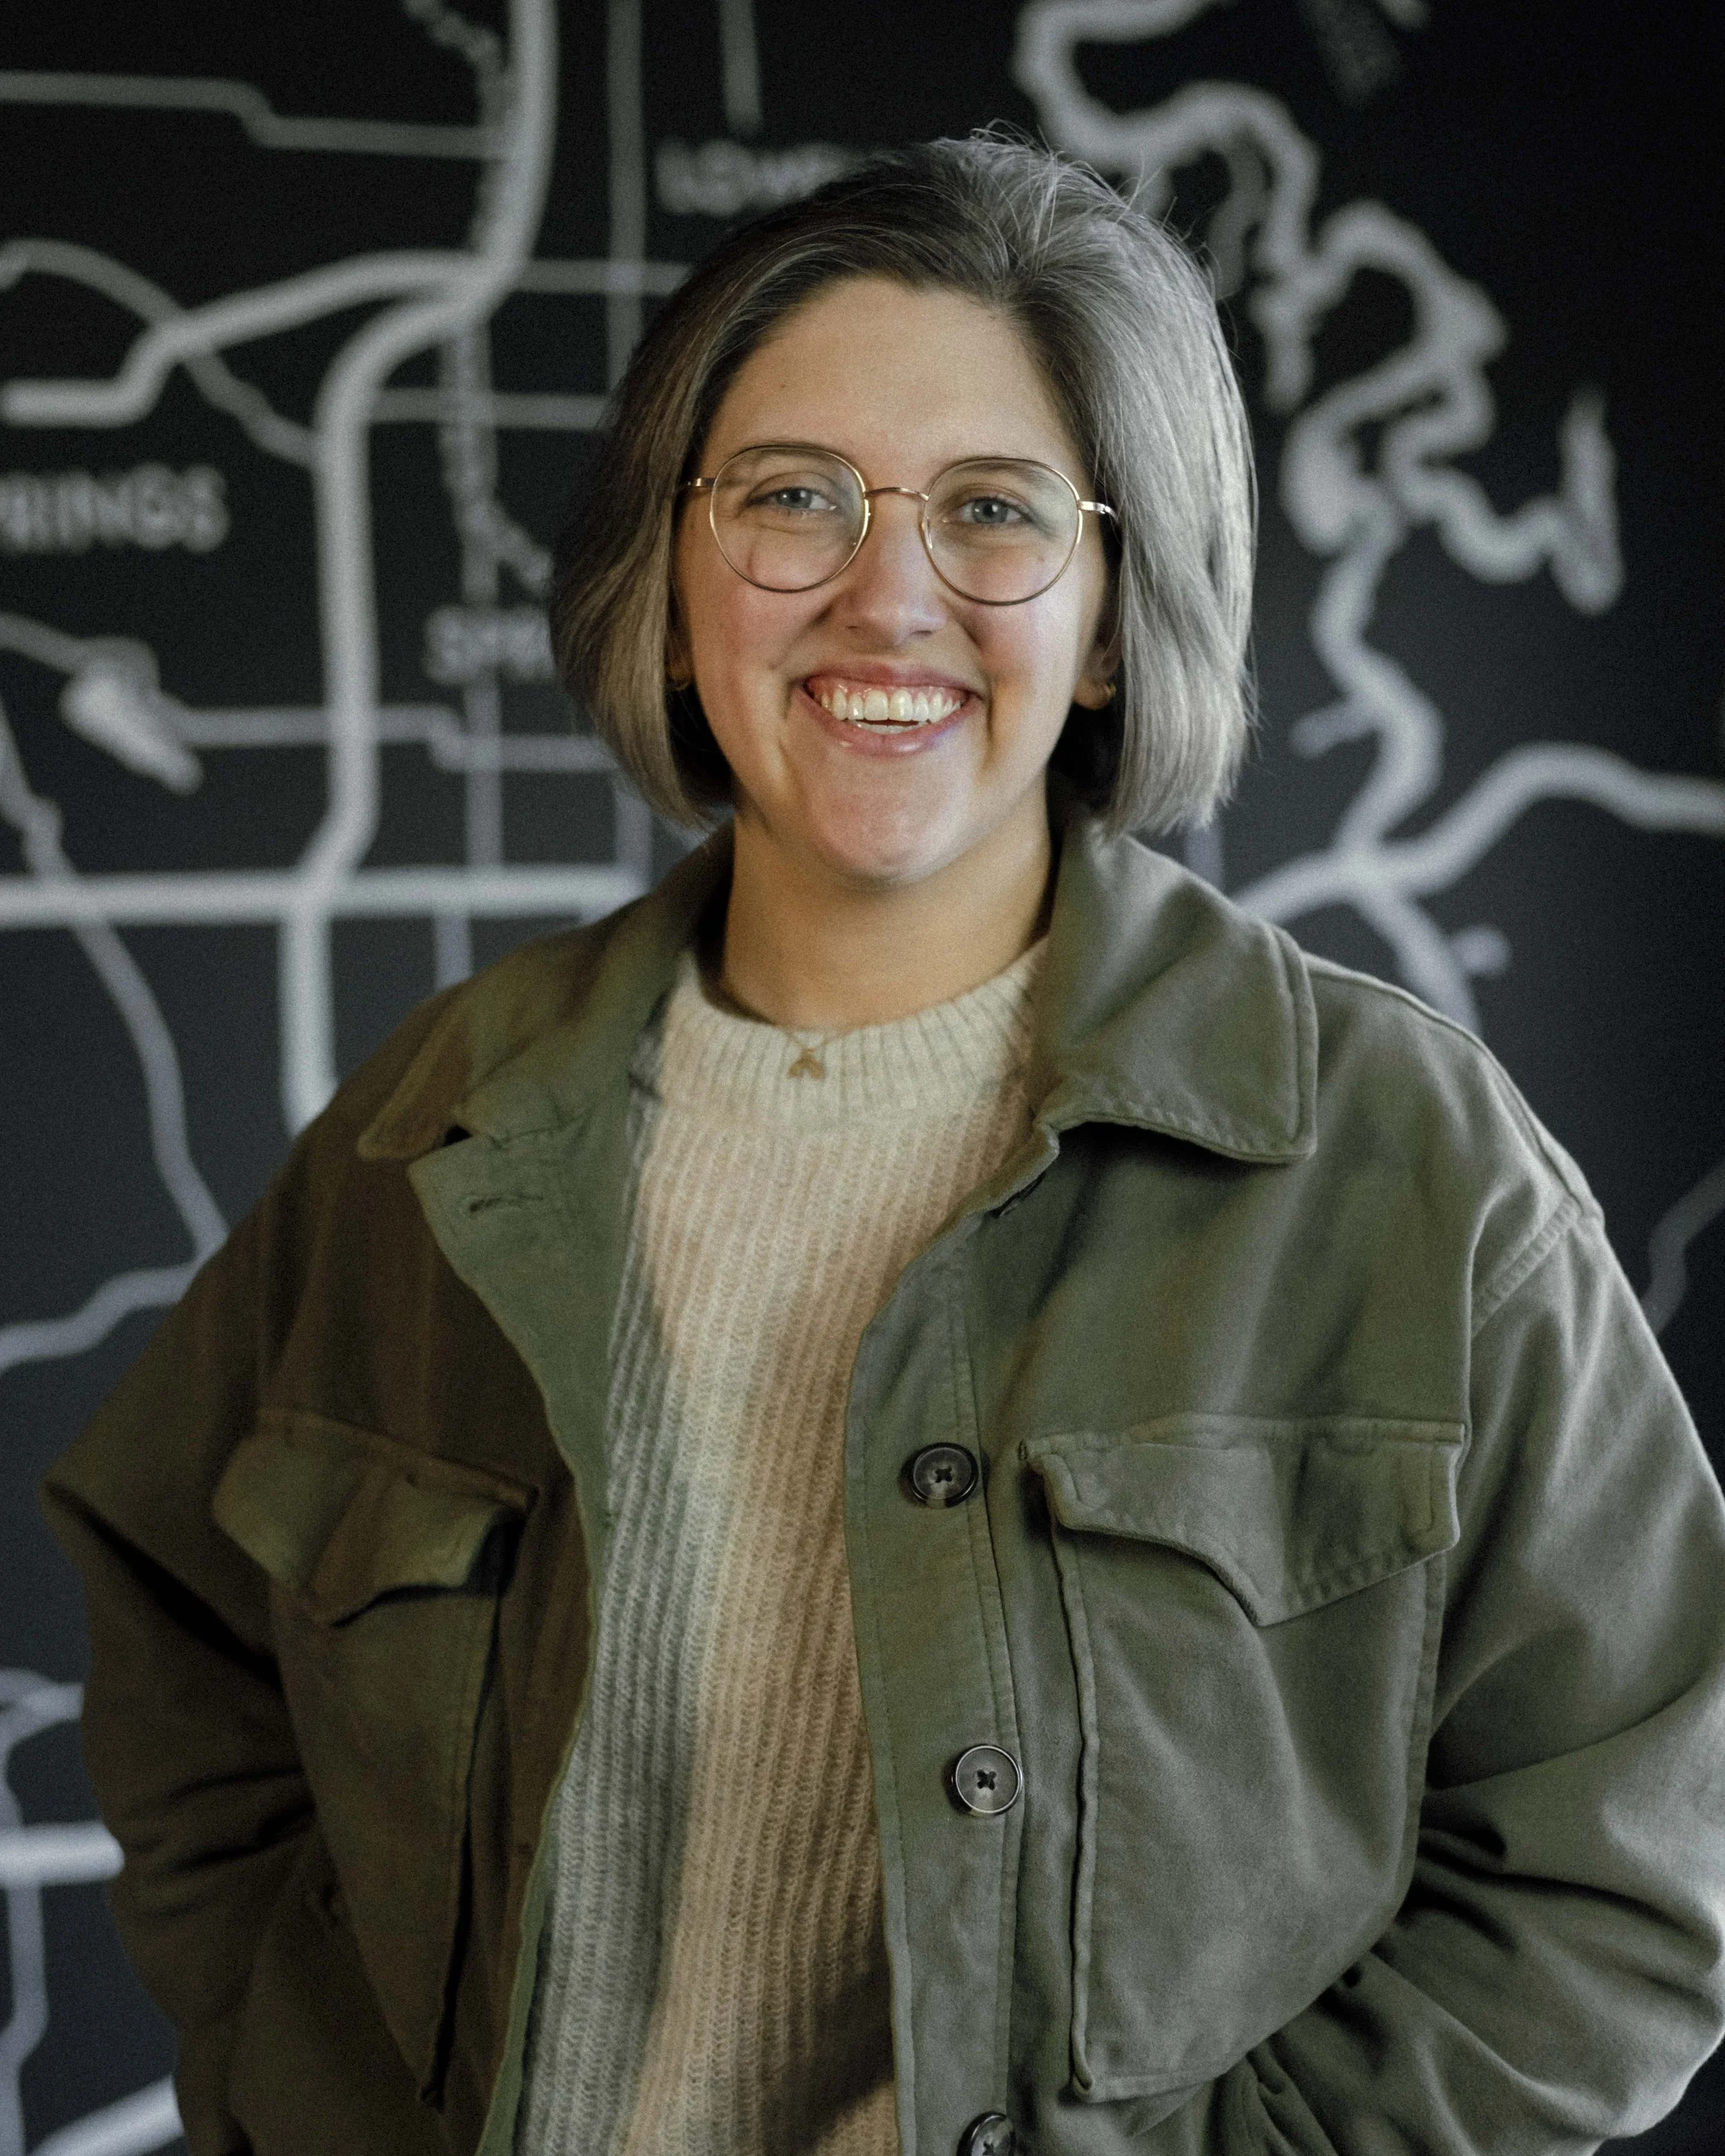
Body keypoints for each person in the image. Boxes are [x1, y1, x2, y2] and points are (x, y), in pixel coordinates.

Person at [42, 137, 1725, 2156]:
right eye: (790, 497)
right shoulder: (438, 1126)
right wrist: (297, 2077)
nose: (883, 593)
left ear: (1112, 615)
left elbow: (1631, 1870)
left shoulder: (1398, 1166)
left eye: (995, 512)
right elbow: (183, 1638)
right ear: (676, 575)